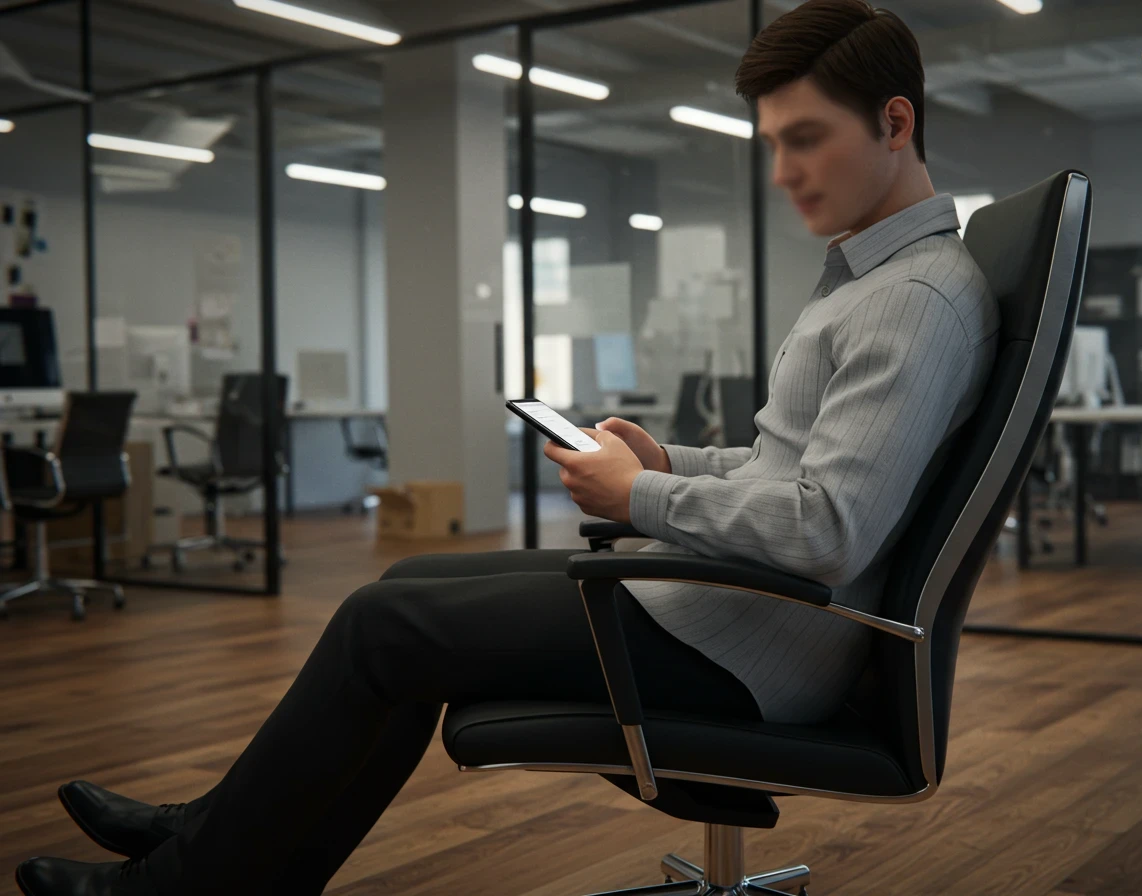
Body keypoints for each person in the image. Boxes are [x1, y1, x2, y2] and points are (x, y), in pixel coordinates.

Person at [15, 1, 999, 893]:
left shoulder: (908, 299)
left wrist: (636, 499)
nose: (783, 173)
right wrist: (666, 464)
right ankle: (220, 843)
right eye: (773, 144)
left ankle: (183, 881)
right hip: (728, 610)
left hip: (743, 647)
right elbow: (786, 469)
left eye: (806, 139)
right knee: (403, 582)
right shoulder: (872, 282)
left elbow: (827, 528)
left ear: (894, 123)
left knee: (380, 626)